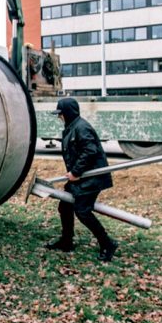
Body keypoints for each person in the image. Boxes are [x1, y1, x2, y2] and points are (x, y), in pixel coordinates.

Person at [46, 97, 119, 262]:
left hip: (93, 177)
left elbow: (89, 151)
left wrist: (76, 172)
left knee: (82, 210)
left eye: (61, 114)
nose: (59, 117)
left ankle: (107, 243)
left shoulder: (82, 127)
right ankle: (66, 241)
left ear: (68, 113)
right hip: (82, 177)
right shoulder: (72, 127)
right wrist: (74, 174)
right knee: (65, 206)